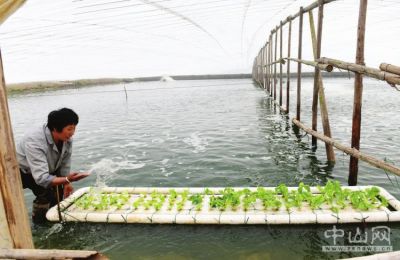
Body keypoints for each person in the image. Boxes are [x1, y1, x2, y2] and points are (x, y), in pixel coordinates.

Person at [16, 108, 89, 223]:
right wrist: (66, 179)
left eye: (74, 128)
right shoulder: (34, 141)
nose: (73, 132)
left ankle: (54, 219)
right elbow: (41, 178)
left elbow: (65, 162)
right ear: (55, 128)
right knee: (45, 194)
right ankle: (40, 225)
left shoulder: (67, 138)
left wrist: (66, 183)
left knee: (58, 194)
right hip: (24, 171)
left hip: (47, 168)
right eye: (69, 129)